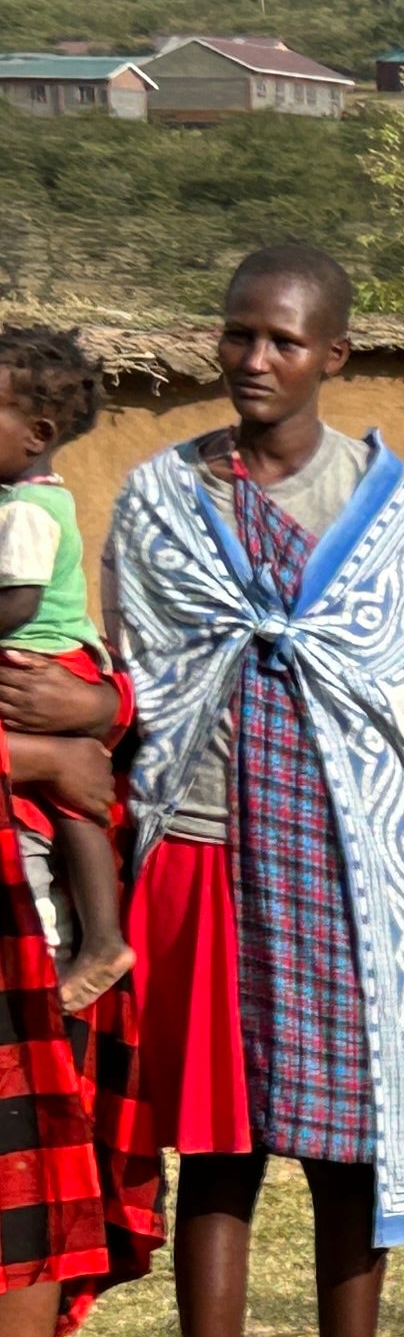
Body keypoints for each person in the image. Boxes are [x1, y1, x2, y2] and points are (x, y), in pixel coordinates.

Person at [106, 247, 404, 1337]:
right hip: (205, 849)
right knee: (219, 1156)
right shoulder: (159, 498)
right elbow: (140, 671)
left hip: (345, 856)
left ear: (335, 357)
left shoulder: (383, 506)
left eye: (283, 339)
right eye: (239, 333)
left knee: (347, 1158)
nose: (255, 357)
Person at [0, 339, 156, 1337]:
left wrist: (93, 719)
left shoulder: (31, 514)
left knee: (28, 1175)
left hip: (19, 902)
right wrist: (40, 757)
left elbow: (110, 702)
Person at [0, 329, 131, 1013]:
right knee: (71, 790)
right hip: (48, 661)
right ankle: (102, 937)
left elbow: (18, 601)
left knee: (77, 799)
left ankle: (103, 940)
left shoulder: (25, 507)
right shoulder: (22, 499)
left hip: (47, 658)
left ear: (37, 433)